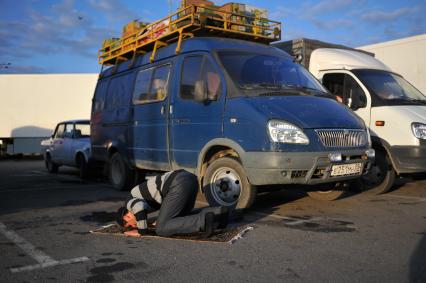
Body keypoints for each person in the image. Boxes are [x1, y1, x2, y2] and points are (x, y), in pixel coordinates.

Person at [116, 169, 229, 237]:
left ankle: (203, 221)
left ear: (126, 215)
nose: (133, 225)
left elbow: (139, 208)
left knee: (161, 228)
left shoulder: (129, 203)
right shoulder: (137, 199)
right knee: (180, 218)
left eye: (129, 224)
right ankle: (218, 212)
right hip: (189, 179)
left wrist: (141, 231)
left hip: (178, 183)